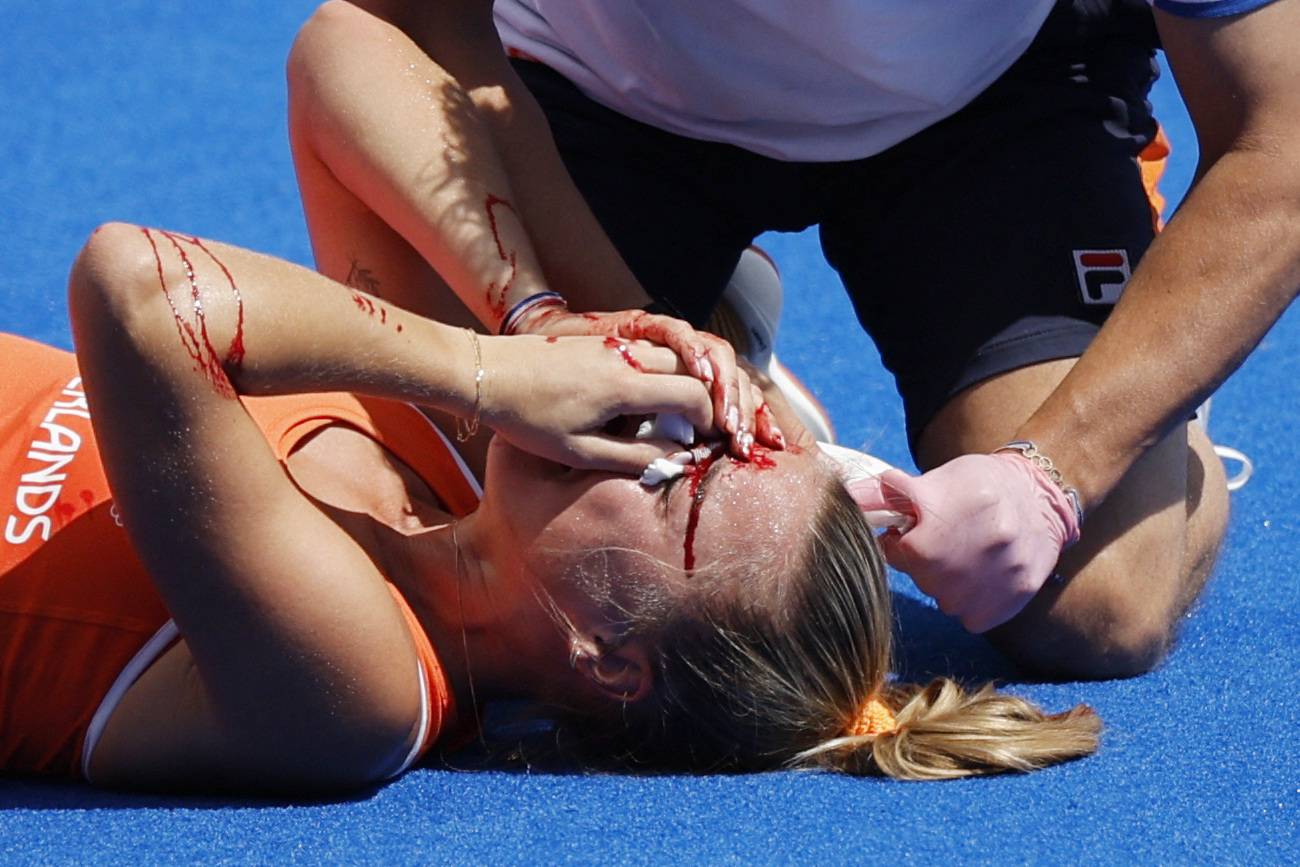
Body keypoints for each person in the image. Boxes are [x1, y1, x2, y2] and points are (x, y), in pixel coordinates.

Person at [286, 0, 1300, 679]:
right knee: (493, 517)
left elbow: (1284, 136)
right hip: (587, 92)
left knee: (1095, 611)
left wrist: (1059, 470)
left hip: (1000, 99)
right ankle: (715, 318)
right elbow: (403, 27)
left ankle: (1151, 382)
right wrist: (620, 334)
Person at [1, 222, 1099, 790]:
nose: (650, 441)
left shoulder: (364, 694)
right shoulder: (437, 457)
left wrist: (487, 369)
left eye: (683, 478)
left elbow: (138, 289)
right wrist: (539, 329)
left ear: (611, 660)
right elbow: (340, 56)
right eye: (711, 431)